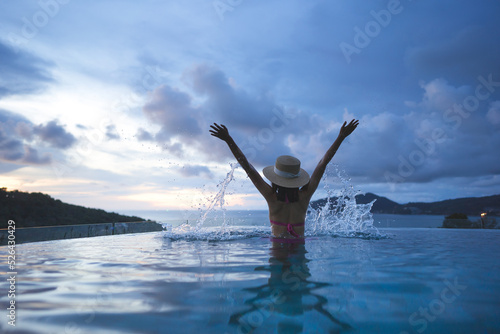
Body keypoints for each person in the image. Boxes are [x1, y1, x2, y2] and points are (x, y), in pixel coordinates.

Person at [209, 119, 358, 241]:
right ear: (297, 179)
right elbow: (322, 163)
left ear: (275, 179)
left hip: (277, 250)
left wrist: (229, 139)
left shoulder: (271, 197)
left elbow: (247, 166)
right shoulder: (304, 196)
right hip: (299, 248)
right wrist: (341, 137)